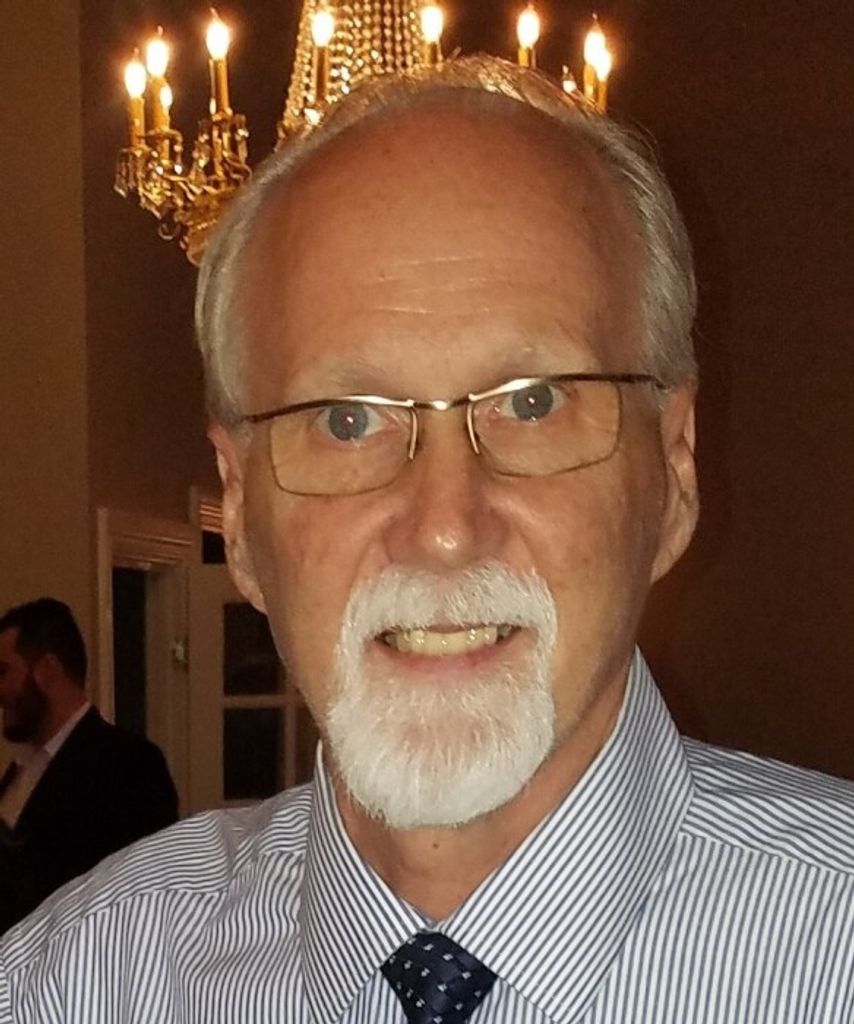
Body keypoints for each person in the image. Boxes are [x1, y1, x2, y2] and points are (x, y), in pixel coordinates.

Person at [2, 56, 853, 1022]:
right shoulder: (68, 986)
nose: (444, 528)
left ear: (674, 472)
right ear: (237, 515)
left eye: (533, 403)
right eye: (347, 420)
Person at [0, 597, 178, 934]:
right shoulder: (22, 768)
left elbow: (138, 894)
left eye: (3, 671)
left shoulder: (130, 765)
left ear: (46, 670)